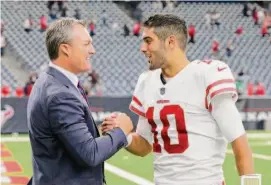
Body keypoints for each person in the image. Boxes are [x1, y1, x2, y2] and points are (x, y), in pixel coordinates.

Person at [102, 14, 255, 185]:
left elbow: (239, 142)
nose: (143, 48)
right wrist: (123, 135)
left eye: (148, 40)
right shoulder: (146, 81)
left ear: (170, 42)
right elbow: (144, 145)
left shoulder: (206, 74)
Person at [27, 18, 133, 185]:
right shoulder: (60, 94)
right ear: (65, 49)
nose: (93, 50)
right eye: (86, 44)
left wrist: (95, 132)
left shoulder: (51, 82)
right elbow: (90, 154)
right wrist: (121, 130)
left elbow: (64, 141)